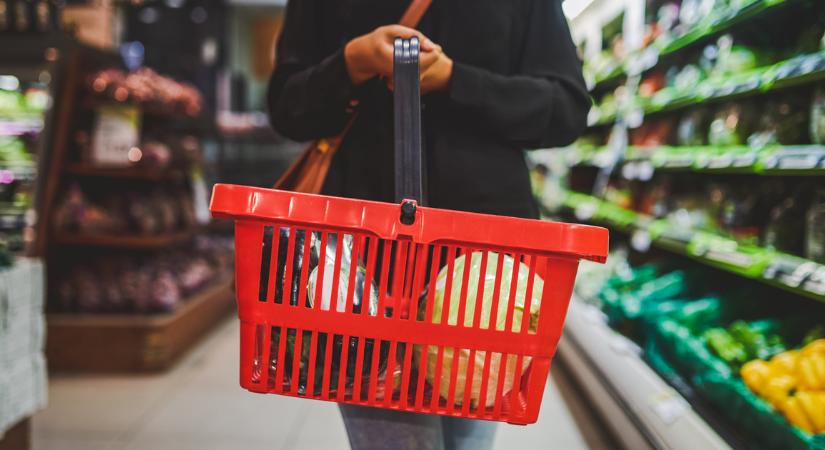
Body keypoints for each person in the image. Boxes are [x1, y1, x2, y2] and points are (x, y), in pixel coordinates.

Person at [267, 0, 589, 448]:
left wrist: (457, 80)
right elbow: (286, 106)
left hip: (488, 273)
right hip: (363, 269)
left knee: (468, 438)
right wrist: (352, 62)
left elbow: (567, 108)